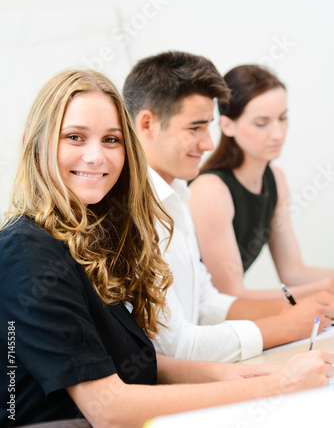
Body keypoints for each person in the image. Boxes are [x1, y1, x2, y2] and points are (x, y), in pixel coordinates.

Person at [3, 69, 333, 428]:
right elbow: (108, 409)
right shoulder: (25, 250)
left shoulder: (93, 236)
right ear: (32, 144)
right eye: (75, 137)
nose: (96, 156)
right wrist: (279, 385)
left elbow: (135, 361)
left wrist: (247, 376)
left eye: (111, 140)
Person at [123, 51, 334, 365]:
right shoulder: (141, 209)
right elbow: (173, 347)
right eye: (195, 128)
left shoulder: (177, 195)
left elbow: (208, 303)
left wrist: (304, 307)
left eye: (282, 118)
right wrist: (285, 323)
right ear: (147, 124)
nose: (208, 143)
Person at [189, 64, 334, 300]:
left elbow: (293, 272)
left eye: (283, 118)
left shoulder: (275, 179)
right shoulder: (210, 191)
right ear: (227, 125)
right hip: (200, 325)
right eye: (262, 123)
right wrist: (325, 290)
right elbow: (229, 298)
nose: (278, 133)